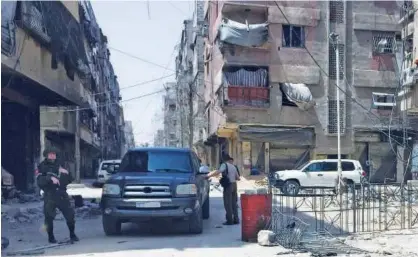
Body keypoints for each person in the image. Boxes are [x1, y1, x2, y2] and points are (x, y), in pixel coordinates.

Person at [37, 148, 79, 243]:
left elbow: (70, 179)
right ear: (46, 155)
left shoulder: (61, 165)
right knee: (48, 217)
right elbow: (39, 181)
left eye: (54, 154)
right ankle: (51, 237)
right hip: (49, 195)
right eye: (50, 154)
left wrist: (66, 173)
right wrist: (50, 178)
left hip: (62, 195)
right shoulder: (42, 166)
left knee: (70, 215)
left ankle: (72, 234)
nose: (52, 156)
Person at [206, 154, 240, 225]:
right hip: (234, 185)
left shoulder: (224, 165)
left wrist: (208, 176)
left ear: (224, 159)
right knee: (234, 203)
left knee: (228, 203)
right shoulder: (233, 166)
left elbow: (218, 171)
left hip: (228, 186)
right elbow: (238, 178)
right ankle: (236, 219)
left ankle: (229, 220)